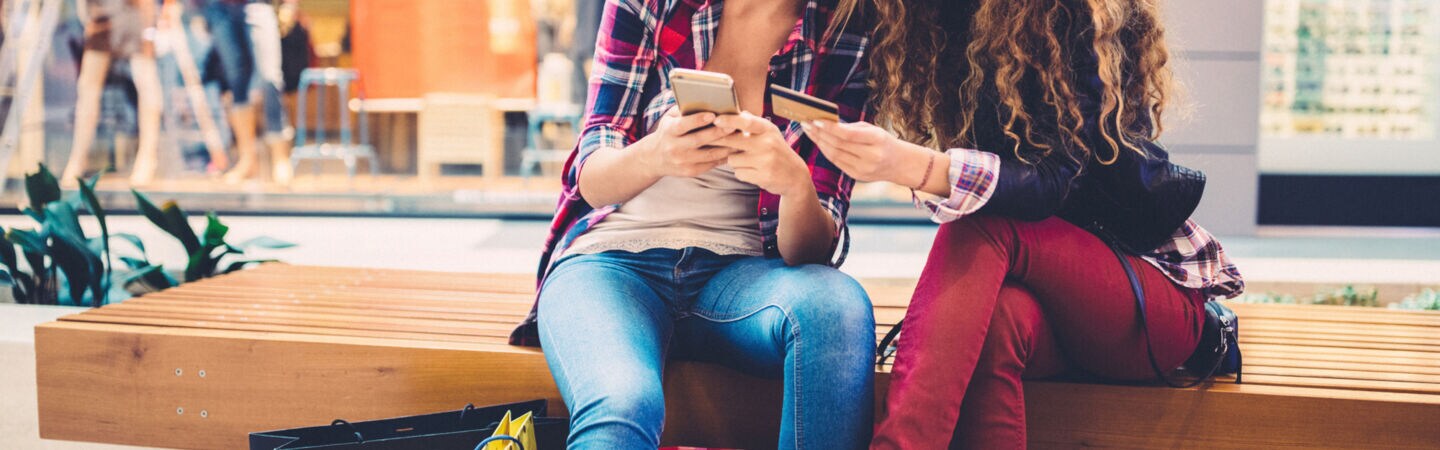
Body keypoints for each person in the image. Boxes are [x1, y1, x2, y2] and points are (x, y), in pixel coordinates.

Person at [802, 0, 1245, 448]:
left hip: (1145, 302)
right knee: (994, 324)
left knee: (978, 225)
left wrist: (917, 167)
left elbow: (1059, 181)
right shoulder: (934, 16)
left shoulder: (1064, 11)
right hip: (1047, 317)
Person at [507, 0, 875, 448]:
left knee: (837, 306)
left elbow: (811, 252)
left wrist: (796, 185)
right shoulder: (651, 6)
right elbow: (591, 178)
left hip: (741, 278)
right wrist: (656, 155)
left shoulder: (846, 34)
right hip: (610, 264)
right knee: (622, 401)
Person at [63, 0, 164, 187]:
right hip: (102, 14)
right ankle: (78, 158)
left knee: (146, 82)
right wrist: (86, 15)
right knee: (88, 88)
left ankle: (148, 158)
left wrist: (150, 30)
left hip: (135, 14)